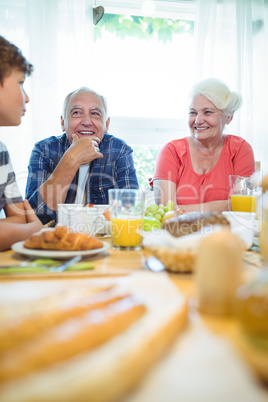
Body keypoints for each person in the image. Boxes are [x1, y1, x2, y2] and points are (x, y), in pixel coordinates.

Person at [26, 87, 139, 224]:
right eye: (77, 113)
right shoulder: (44, 150)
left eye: (95, 114)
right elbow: (33, 216)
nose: (86, 122)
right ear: (63, 122)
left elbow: (131, 210)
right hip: (58, 239)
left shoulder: (120, 150)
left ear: (106, 124)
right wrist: (72, 158)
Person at [152, 78, 255, 212]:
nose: (198, 120)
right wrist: (225, 205)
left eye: (207, 112)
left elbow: (243, 207)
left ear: (229, 117)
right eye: (193, 113)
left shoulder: (240, 149)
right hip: (180, 231)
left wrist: (182, 209)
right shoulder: (171, 151)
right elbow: (166, 209)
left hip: (226, 231)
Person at [0, 36, 42, 251]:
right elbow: (26, 224)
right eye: (19, 83)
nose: (26, 98)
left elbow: (18, 219)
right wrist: (33, 230)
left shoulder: (1, 152)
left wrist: (22, 227)